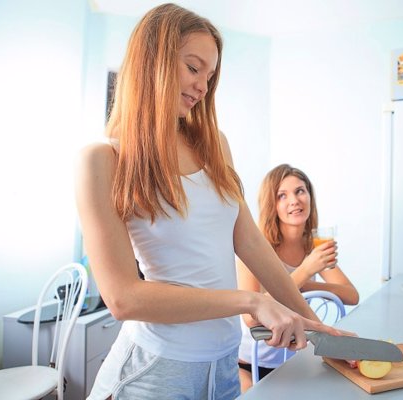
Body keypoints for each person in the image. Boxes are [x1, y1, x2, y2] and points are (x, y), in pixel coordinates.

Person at [74, 4, 343, 400]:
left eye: (210, 75)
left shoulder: (215, 145)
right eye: (193, 67)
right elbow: (122, 298)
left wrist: (318, 327)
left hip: (224, 367)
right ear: (154, 63)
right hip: (153, 372)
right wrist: (250, 301)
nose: (203, 85)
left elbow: (249, 241)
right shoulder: (103, 159)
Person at [237, 164, 360, 392]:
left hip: (293, 362)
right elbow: (250, 317)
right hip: (250, 364)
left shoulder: (312, 247)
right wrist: (304, 271)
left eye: (300, 191)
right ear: (271, 205)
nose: (294, 200)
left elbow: (352, 295)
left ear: (310, 197)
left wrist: (304, 280)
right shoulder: (254, 248)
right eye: (282, 195)